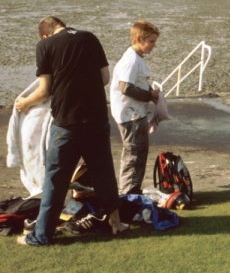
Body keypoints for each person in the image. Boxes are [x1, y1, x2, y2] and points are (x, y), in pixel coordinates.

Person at [16, 16, 128, 246]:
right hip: (96, 119)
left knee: (55, 180)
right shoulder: (90, 37)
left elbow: (45, 90)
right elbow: (105, 78)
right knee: (103, 173)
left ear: (45, 35)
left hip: (67, 123)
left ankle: (41, 235)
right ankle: (116, 222)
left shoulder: (45, 46)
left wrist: (24, 103)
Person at [110, 20, 160, 195]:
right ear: (139, 39)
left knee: (138, 153)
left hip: (134, 114)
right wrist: (149, 95)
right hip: (130, 117)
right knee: (134, 155)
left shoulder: (136, 58)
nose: (154, 46)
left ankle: (132, 191)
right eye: (151, 41)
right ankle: (128, 195)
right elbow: (125, 87)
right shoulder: (131, 60)